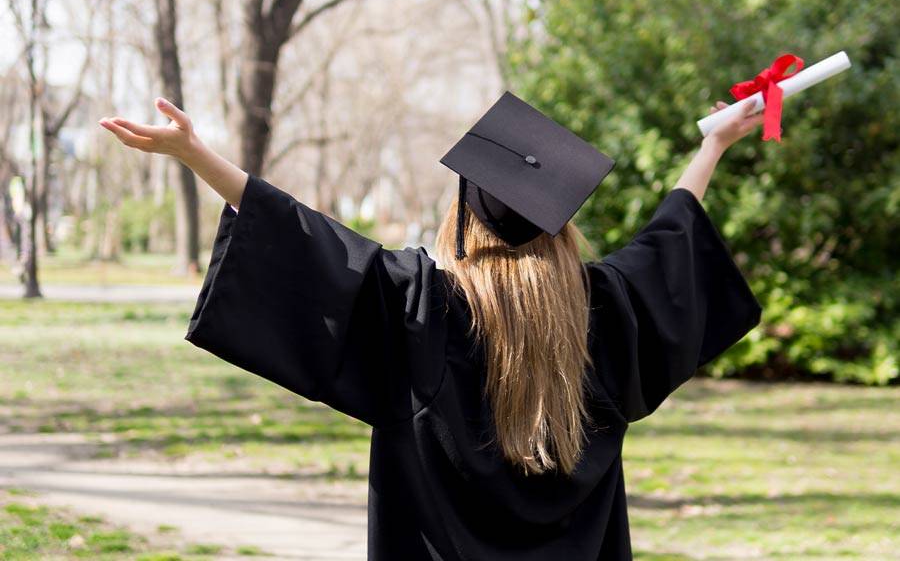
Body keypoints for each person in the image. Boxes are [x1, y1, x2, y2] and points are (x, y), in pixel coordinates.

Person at [99, 91, 764, 560]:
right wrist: (712, 146)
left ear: (464, 217)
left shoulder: (417, 306)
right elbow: (668, 241)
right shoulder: (604, 311)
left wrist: (197, 156)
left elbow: (308, 240)